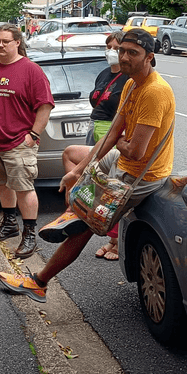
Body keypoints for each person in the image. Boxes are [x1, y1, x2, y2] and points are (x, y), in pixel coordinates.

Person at [0, 28, 175, 303]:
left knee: (85, 226)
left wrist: (123, 143)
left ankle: (39, 282)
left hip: (142, 175)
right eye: (122, 51)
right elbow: (115, 133)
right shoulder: (130, 83)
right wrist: (77, 172)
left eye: (133, 53)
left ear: (150, 57)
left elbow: (137, 151)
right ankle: (73, 211)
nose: (124, 57)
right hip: (121, 160)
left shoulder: (155, 92)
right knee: (75, 163)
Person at [0, 24, 54, 258]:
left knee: (24, 188)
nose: (0, 45)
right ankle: (9, 223)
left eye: (5, 41)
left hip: (18, 142)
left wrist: (33, 134)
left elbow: (45, 105)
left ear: (17, 43)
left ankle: (30, 234)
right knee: (2, 183)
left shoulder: (31, 70)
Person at [59, 31, 128, 259]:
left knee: (112, 187)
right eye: (108, 46)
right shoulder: (104, 74)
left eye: (116, 47)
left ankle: (116, 241)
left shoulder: (128, 79)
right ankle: (79, 209)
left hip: (111, 133)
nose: (111, 51)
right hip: (95, 128)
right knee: (75, 160)